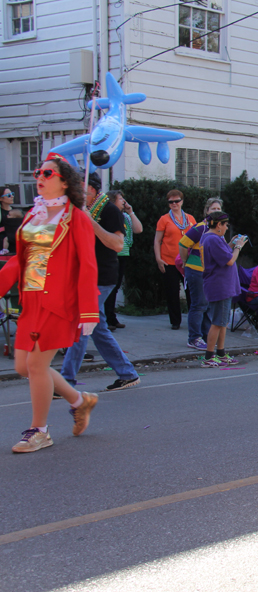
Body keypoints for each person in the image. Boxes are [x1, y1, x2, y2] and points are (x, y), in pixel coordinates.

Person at [0, 155, 99, 452]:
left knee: (36, 365)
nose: (39, 177)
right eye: (37, 172)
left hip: (58, 303)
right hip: (30, 300)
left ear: (65, 181)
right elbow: (21, 259)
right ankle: (80, 400)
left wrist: (89, 309)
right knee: (23, 366)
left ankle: (39, 431)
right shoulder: (35, 214)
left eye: (47, 173)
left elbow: (88, 265)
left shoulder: (76, 217)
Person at [62, 173, 142, 393]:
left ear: (95, 190)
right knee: (97, 329)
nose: (78, 193)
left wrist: (91, 223)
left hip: (101, 277)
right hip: (84, 277)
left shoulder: (109, 211)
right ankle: (127, 374)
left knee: (82, 326)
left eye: (82, 188)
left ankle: (65, 382)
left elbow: (117, 244)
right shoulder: (77, 210)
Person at [199, 211, 245, 367]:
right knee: (218, 322)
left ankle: (221, 353)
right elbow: (230, 260)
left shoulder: (209, 237)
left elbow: (223, 253)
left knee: (222, 322)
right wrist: (238, 247)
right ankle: (209, 356)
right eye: (225, 225)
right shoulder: (214, 239)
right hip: (220, 286)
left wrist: (230, 244)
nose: (226, 228)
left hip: (221, 285)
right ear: (219, 225)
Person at [178, 197, 222, 350]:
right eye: (213, 209)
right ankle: (194, 338)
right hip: (196, 271)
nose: (216, 211)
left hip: (209, 273)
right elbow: (183, 243)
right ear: (207, 211)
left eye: (218, 209)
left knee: (207, 305)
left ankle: (205, 336)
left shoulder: (218, 230)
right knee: (199, 305)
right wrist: (185, 261)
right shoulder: (200, 228)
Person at [154, 189, 196, 330]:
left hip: (187, 261)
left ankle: (193, 319)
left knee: (191, 291)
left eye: (176, 201)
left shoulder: (190, 219)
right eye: (171, 202)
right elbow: (157, 240)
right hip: (169, 261)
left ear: (182, 201)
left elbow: (196, 238)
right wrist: (159, 259)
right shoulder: (164, 219)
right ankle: (175, 321)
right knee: (172, 292)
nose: (174, 204)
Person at [104, 190, 143, 329]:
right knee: (110, 287)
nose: (124, 202)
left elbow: (138, 229)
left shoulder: (125, 216)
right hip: (113, 254)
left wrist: (131, 212)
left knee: (116, 286)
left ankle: (111, 317)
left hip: (123, 255)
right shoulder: (109, 215)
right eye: (120, 199)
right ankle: (107, 318)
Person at [0, 187, 23, 254]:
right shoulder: (1, 213)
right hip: (2, 244)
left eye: (12, 194)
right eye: (8, 195)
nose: (12, 196)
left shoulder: (17, 212)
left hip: (15, 243)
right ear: (1, 198)